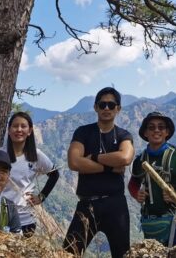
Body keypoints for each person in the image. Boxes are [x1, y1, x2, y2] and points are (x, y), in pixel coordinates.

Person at [63, 86, 135, 258]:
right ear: (95, 107)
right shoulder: (83, 132)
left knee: (122, 254)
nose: (106, 109)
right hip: (87, 204)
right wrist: (110, 166)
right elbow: (74, 162)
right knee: (68, 253)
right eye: (102, 105)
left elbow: (125, 158)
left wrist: (93, 157)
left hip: (115, 205)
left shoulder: (124, 135)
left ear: (118, 108)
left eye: (111, 105)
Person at [128, 111, 176, 247]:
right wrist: (137, 194)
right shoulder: (140, 161)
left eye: (161, 127)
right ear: (145, 133)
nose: (156, 130)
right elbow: (132, 184)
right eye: (151, 127)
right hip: (151, 224)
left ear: (167, 132)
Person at [3, 111, 60, 235]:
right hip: (1, 219)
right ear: (9, 129)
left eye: (23, 126)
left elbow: (54, 174)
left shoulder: (35, 155)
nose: (19, 129)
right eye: (15, 126)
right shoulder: (0, 155)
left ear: (29, 131)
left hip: (26, 221)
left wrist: (41, 197)